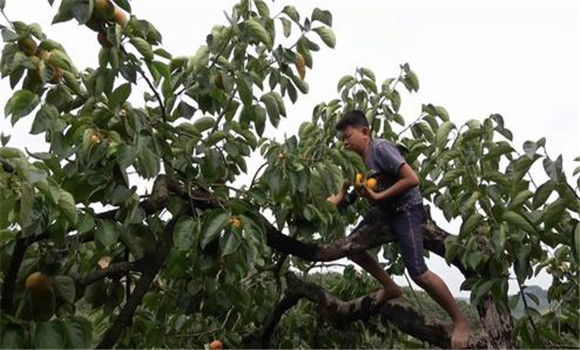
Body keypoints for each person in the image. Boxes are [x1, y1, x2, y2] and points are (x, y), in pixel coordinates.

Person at [326, 110, 470, 349]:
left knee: (418, 273)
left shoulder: (380, 149)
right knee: (352, 248)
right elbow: (343, 196)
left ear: (365, 132)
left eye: (348, 136)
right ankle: (390, 287)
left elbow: (412, 179)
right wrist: (315, 208)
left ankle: (461, 320)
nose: (345, 142)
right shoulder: (354, 163)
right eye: (342, 139)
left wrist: (377, 194)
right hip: (384, 212)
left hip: (406, 209)